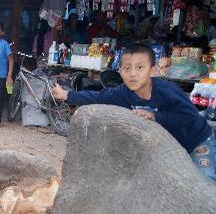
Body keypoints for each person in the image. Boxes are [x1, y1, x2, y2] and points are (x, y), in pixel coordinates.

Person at [51, 43, 215, 185]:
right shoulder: (123, 93)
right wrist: (68, 95)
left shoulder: (166, 90)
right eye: (127, 68)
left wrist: (157, 116)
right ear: (120, 72)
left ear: (152, 71)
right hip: (172, 148)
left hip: (197, 141)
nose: (133, 74)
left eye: (140, 67)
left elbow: (190, 116)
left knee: (205, 183)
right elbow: (99, 96)